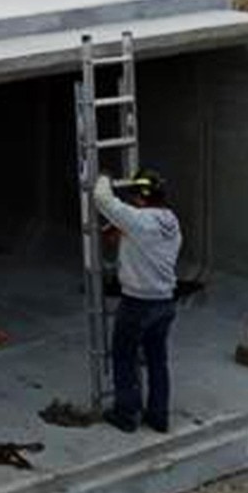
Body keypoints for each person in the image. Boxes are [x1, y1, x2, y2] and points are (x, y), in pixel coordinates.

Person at [93, 167, 182, 433]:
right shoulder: (171, 221)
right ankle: (159, 416)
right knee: (157, 360)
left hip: (137, 303)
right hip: (165, 302)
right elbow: (143, 237)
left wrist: (104, 178)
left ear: (140, 198)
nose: (133, 202)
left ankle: (127, 414)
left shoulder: (139, 221)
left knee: (124, 357)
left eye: (135, 198)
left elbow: (102, 198)